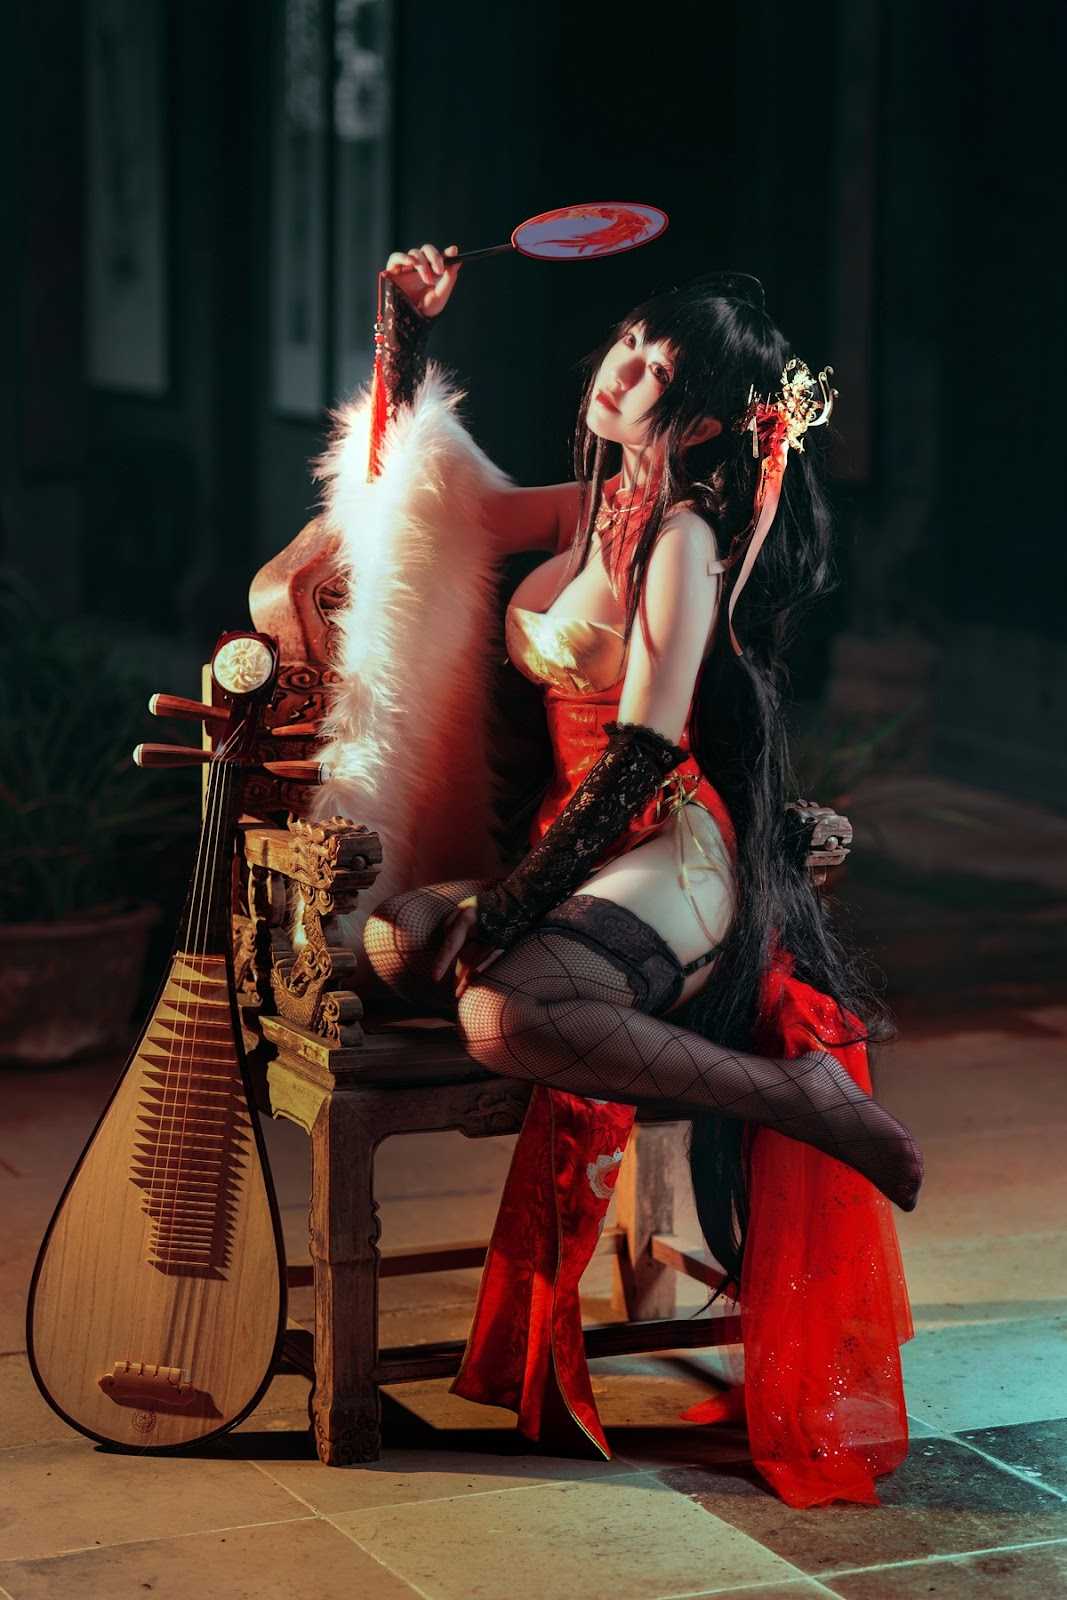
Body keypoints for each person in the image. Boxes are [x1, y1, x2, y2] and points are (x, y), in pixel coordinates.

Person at [356, 241, 919, 1507]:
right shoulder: (583, 507)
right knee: (393, 942)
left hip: (671, 842)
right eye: (626, 340)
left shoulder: (679, 539)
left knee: (503, 1014)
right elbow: (408, 504)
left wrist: (509, 906)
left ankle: (800, 1097)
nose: (622, 368)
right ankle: (638, 1013)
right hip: (573, 846)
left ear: (703, 420)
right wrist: (404, 328)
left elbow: (642, 753)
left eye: (657, 367)